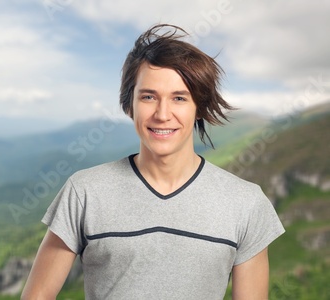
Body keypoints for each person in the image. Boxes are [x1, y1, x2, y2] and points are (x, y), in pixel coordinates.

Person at [21, 24, 285, 300]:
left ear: (199, 109)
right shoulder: (85, 191)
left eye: (179, 98)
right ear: (129, 105)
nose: (162, 114)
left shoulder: (246, 203)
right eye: (148, 97)